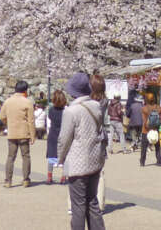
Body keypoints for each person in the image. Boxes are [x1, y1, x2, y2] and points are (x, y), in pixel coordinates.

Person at [59, 72, 107, 230]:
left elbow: (64, 139)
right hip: (94, 161)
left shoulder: (71, 111)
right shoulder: (96, 106)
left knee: (78, 206)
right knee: (92, 202)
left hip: (77, 164)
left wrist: (60, 159)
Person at [0, 80, 36, 188]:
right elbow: (31, 120)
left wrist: (8, 123)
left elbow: (2, 116)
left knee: (11, 157)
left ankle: (8, 181)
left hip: (12, 133)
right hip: (24, 132)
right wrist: (33, 135)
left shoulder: (8, 101)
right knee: (25, 157)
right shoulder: (27, 102)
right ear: (25, 90)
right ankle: (25, 179)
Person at [46, 90, 67, 184]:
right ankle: (63, 177)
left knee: (51, 155)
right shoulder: (66, 111)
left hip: (53, 134)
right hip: (64, 134)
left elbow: (49, 122)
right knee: (65, 156)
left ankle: (49, 177)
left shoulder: (51, 110)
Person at [139, 94, 161, 167]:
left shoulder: (144, 108)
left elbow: (144, 120)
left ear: (146, 99)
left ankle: (142, 162)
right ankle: (159, 160)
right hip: (155, 130)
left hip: (146, 130)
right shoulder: (159, 108)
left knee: (144, 147)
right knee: (157, 146)